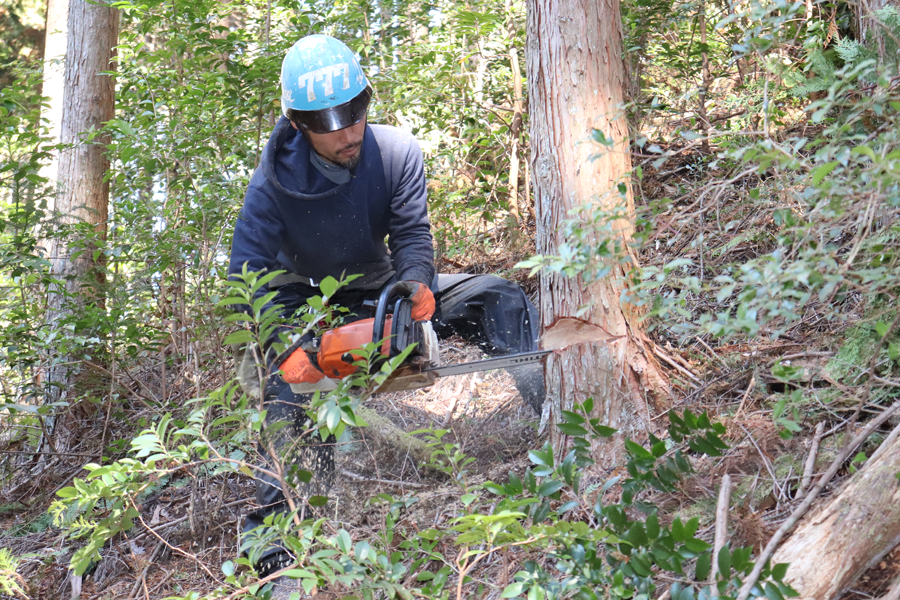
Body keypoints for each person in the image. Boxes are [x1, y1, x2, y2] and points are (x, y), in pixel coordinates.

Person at [227, 34, 544, 597]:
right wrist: (285, 342)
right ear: (300, 124)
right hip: (306, 303)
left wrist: (416, 283)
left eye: (355, 115)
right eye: (331, 124)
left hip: (380, 289)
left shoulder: (396, 151)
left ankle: (554, 422)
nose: (348, 134)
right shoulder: (271, 183)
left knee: (500, 295)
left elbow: (413, 233)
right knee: (284, 391)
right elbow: (246, 272)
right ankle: (278, 541)